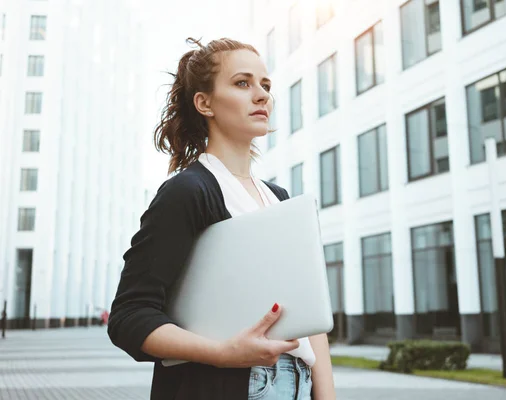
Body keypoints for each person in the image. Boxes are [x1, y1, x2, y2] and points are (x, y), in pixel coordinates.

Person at [107, 37, 336, 400]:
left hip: (297, 384)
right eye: (242, 83)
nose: (261, 95)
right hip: (230, 385)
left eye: (266, 85)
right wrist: (223, 354)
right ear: (205, 102)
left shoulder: (280, 200)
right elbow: (129, 316)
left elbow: (311, 318)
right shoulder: (188, 192)